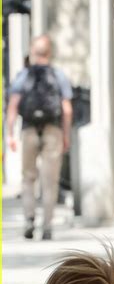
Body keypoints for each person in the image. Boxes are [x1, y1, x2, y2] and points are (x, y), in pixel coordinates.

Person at [6, 35, 73, 240]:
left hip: (28, 131)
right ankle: (47, 226)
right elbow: (67, 108)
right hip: (53, 130)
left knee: (28, 178)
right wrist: (66, 135)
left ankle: (29, 219)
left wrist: (10, 134)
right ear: (49, 52)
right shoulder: (58, 75)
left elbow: (13, 105)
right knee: (50, 181)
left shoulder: (24, 75)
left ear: (33, 52)